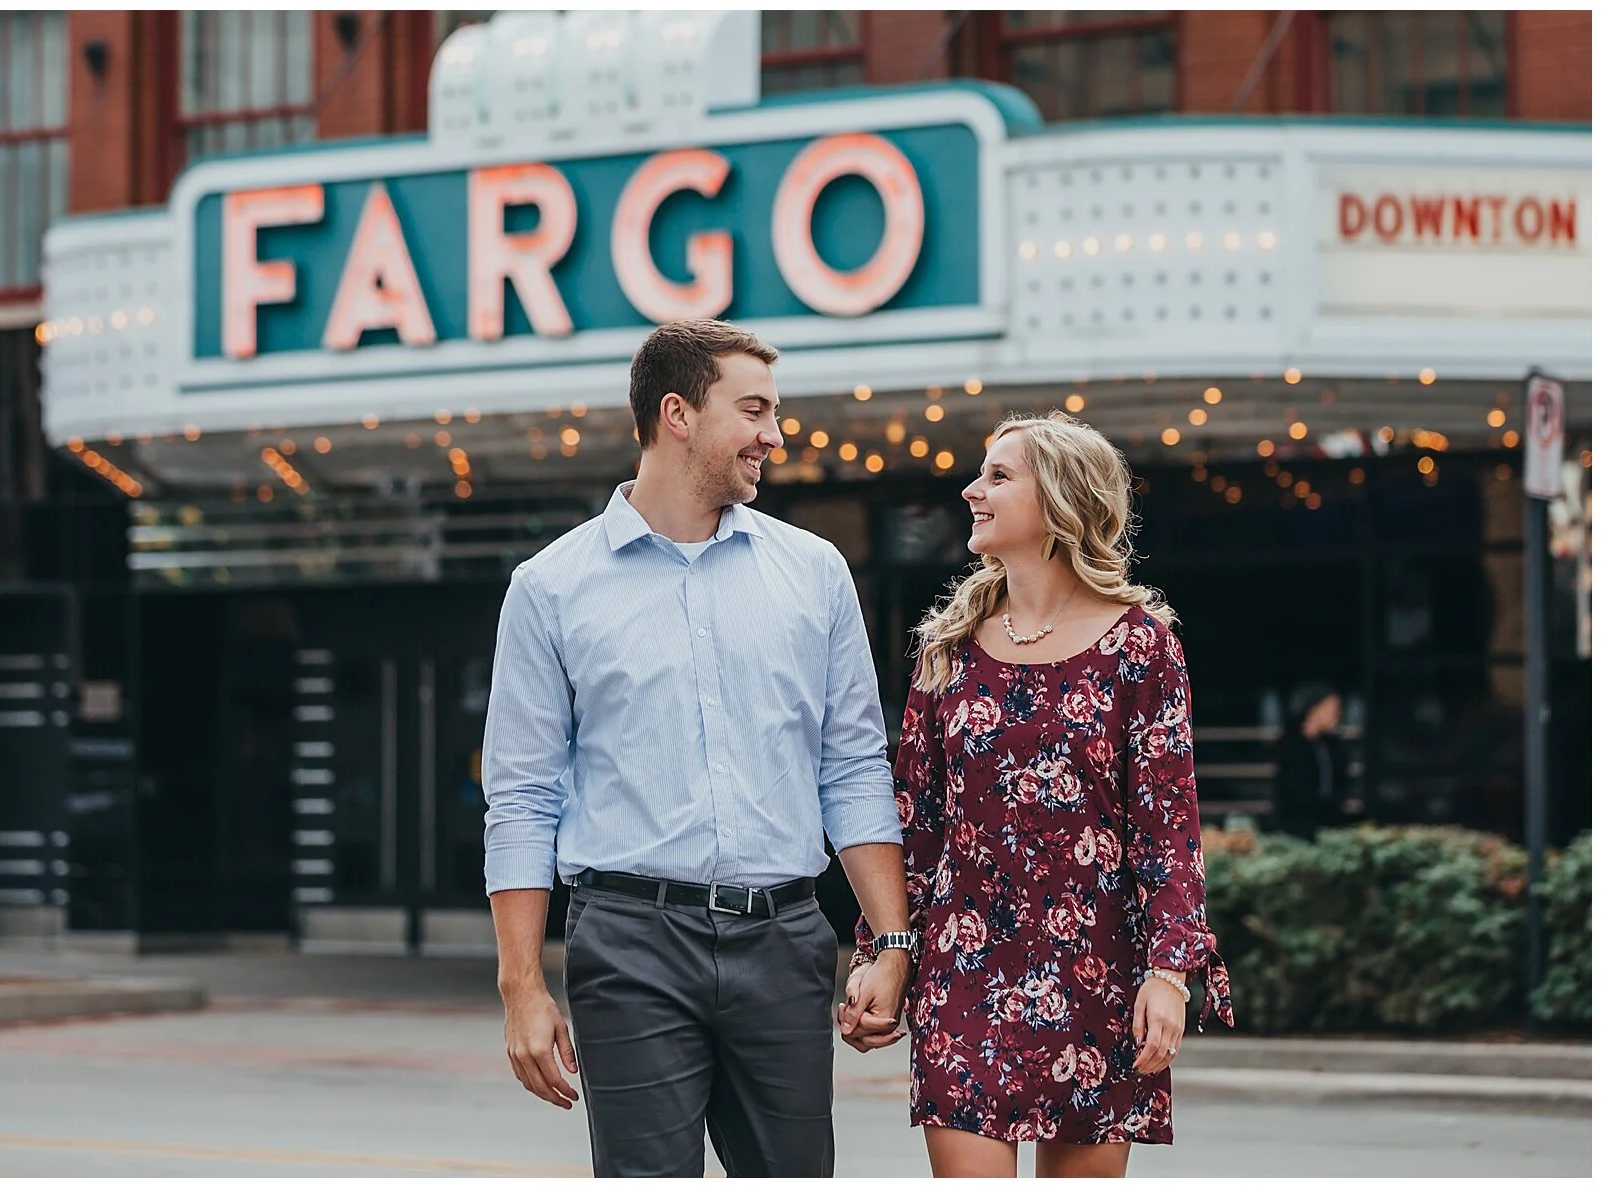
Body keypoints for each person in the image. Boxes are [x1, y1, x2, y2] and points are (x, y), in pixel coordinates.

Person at [482, 319, 913, 1177]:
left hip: (786, 936)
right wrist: (521, 985)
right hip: (628, 941)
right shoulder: (549, 590)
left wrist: (892, 944)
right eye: (753, 411)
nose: (774, 435)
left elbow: (855, 766)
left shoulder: (815, 573)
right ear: (677, 414)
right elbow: (523, 797)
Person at [839, 412, 1233, 1176]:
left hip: (1098, 969)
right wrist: (881, 955)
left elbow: (1169, 829)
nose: (971, 489)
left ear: (1058, 502)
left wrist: (1170, 973)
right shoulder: (948, 646)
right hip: (965, 965)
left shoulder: (1142, 645)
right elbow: (914, 824)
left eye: (997, 476)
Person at [1272, 684, 1347, 840]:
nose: (1337, 714)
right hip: (1298, 824)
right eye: (1332, 709)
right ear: (1315, 709)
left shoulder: (1331, 745)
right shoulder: (1292, 746)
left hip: (1331, 820)